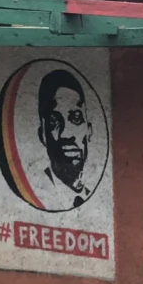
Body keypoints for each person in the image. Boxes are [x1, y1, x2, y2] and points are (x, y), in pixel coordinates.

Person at [37, 67, 93, 207]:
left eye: (76, 118)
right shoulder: (39, 193)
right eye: (54, 122)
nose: (66, 134)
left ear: (89, 130)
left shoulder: (88, 193)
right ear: (42, 135)